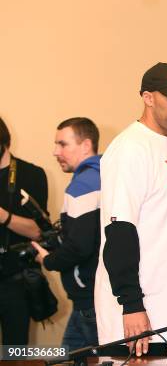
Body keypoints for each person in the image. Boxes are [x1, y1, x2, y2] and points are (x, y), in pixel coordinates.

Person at [94, 63, 167, 356]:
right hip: (139, 312)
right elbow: (119, 231)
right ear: (148, 97)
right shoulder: (130, 149)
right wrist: (131, 304)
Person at [31, 117, 101, 349]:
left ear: (85, 145)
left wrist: (48, 259)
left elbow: (79, 247)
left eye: (62, 144)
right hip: (94, 297)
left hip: (89, 300)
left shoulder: (82, 186)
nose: (55, 151)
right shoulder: (104, 176)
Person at [0, 117, 48, 345]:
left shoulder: (32, 174)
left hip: (16, 279)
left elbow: (39, 232)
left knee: (14, 351)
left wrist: (3, 216)